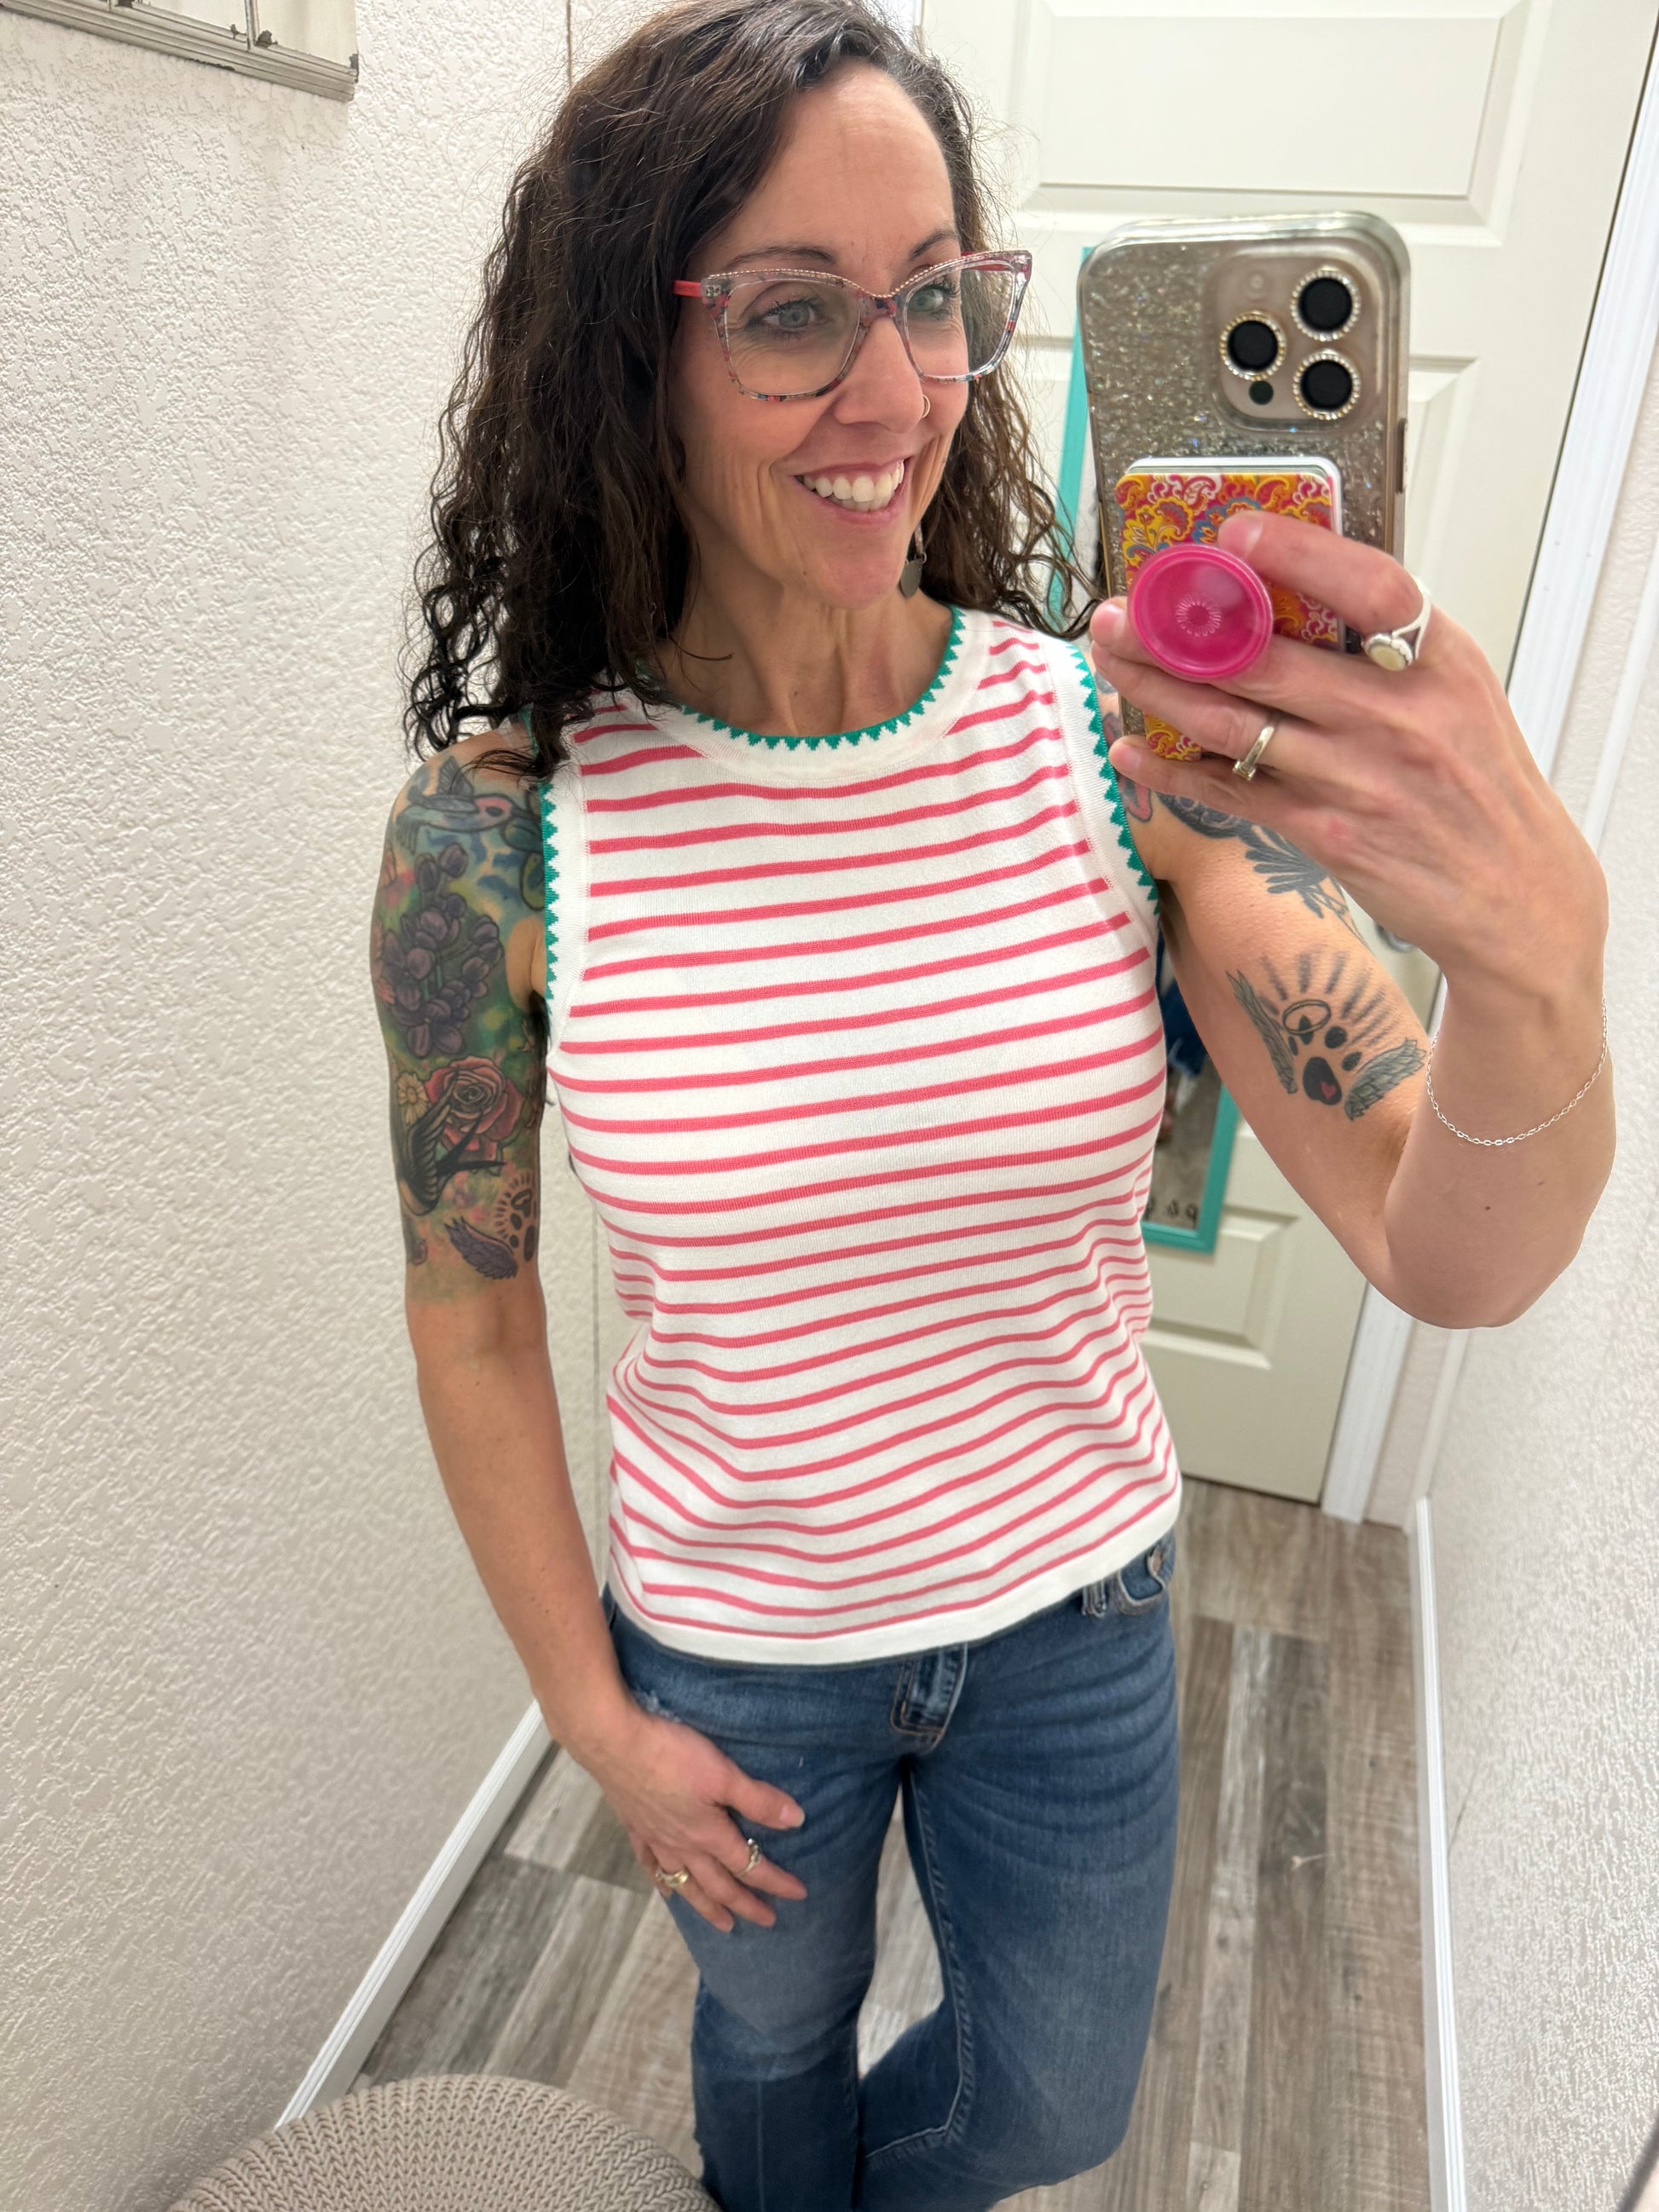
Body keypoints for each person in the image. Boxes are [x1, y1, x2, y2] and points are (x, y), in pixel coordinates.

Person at [371, 4, 1614, 2206]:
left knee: (1055, 2104)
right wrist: (589, 1712)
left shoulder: (1113, 753)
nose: (899, 391)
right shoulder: (500, 837)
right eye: (791, 312)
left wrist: (1536, 966)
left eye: (936, 292)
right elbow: (471, 1316)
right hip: (738, 1647)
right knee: (767, 2050)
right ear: (623, 361)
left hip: (1073, 1619)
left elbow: (1454, 1251)